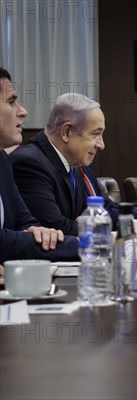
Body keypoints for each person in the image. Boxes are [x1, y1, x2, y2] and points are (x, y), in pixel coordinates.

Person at [9, 93, 137, 236]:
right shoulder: (29, 164)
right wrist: (85, 224)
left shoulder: (75, 161)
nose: (101, 145)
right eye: (95, 134)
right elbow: (55, 228)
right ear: (67, 132)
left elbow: (100, 208)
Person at [0, 67, 78, 265]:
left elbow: (25, 221)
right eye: (11, 102)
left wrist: (38, 231)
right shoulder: (29, 161)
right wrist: (84, 244)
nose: (23, 111)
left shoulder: (2, 161)